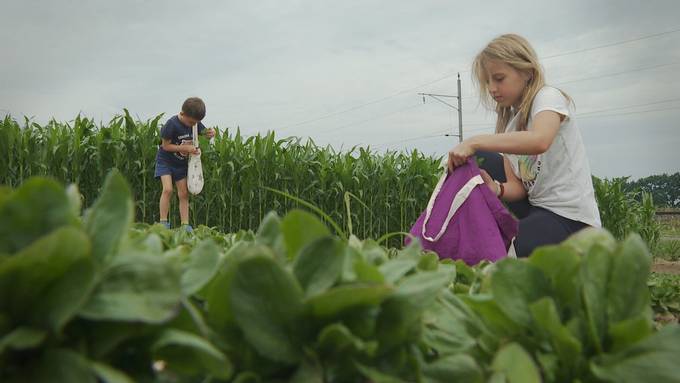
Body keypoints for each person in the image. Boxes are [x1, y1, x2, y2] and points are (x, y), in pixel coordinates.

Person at [447, 34, 601, 257]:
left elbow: (540, 140)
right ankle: (466, 232)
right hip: (537, 210)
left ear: (527, 72)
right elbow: (518, 189)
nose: (492, 88)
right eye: (487, 82)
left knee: (509, 249)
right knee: (481, 156)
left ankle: (521, 247)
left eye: (499, 79)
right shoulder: (509, 128)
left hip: (571, 218)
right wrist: (496, 189)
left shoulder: (548, 97)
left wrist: (474, 140)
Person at [155, 97, 215, 232]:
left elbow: (205, 133)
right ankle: (163, 223)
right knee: (168, 189)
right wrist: (185, 149)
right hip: (166, 161)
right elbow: (165, 146)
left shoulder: (195, 124)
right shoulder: (171, 124)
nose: (192, 125)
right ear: (182, 114)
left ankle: (185, 225)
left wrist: (210, 134)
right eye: (191, 122)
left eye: (196, 123)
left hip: (181, 164)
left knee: (183, 193)